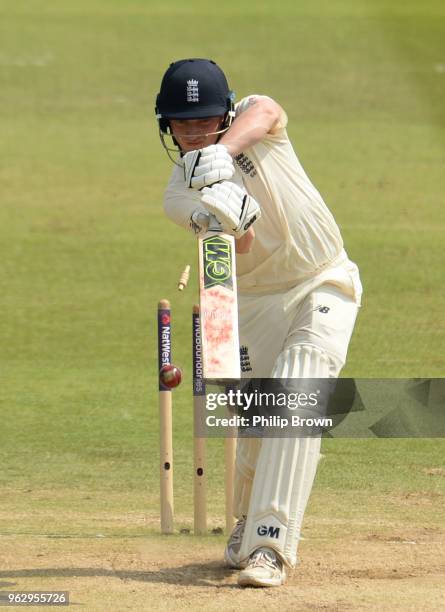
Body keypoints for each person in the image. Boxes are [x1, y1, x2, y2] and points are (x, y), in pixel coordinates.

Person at [155, 58, 362, 588]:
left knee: (299, 391)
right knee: (257, 428)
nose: (196, 131)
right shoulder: (179, 193)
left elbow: (266, 111)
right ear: (167, 128)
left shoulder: (253, 120)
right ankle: (247, 520)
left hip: (322, 279)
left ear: (226, 112)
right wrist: (230, 213)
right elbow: (236, 246)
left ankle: (270, 546)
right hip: (253, 304)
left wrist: (222, 155)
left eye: (206, 119)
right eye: (183, 123)